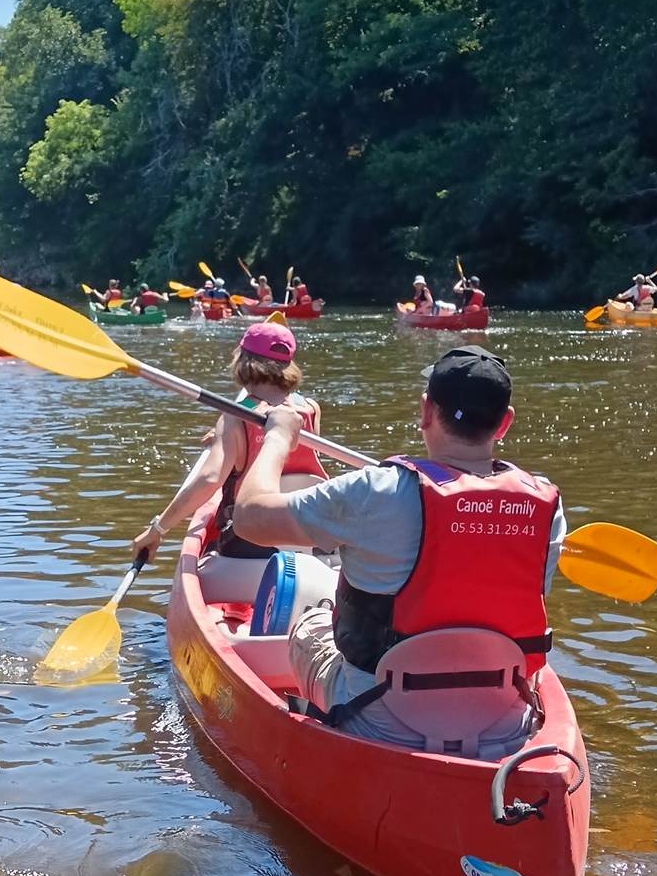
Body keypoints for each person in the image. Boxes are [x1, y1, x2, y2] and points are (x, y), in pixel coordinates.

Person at [229, 345, 566, 749]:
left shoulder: (378, 490)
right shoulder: (546, 504)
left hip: (379, 718)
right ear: (504, 424)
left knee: (309, 623)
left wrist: (278, 438)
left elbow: (249, 518)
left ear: (426, 411)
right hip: (502, 719)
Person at [131, 316, 325, 568]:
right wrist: (226, 436)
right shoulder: (310, 408)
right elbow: (292, 450)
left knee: (219, 534)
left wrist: (158, 528)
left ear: (244, 362)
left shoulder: (235, 417)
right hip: (311, 532)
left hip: (254, 542)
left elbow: (209, 480)